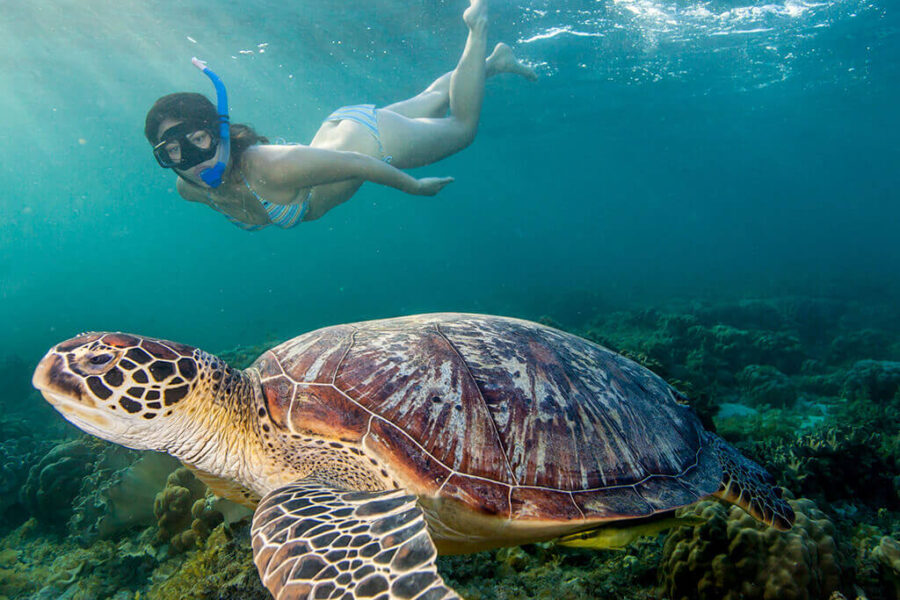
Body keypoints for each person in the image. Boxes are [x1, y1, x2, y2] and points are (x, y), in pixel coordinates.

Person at [144, 0, 536, 231]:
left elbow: (356, 163)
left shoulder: (269, 167)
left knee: (461, 128)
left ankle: (477, 27)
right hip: (344, 130)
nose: (192, 161)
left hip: (374, 143)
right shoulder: (189, 189)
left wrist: (412, 188)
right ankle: (494, 63)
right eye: (173, 152)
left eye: (198, 140)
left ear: (220, 131)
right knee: (432, 98)